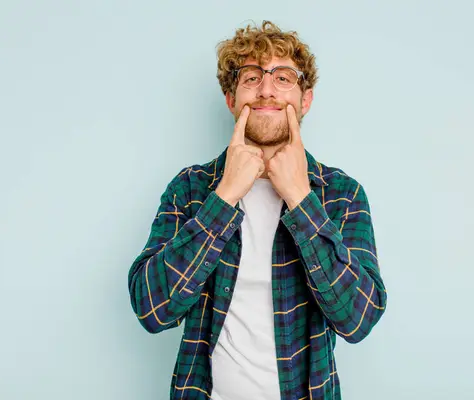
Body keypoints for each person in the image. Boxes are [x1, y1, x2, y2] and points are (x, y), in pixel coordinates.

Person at [127, 20, 387, 400]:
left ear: (305, 99)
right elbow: (152, 309)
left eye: (283, 78)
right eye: (251, 77)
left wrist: (300, 198)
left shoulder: (342, 195)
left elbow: (358, 320)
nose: (267, 89)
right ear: (231, 99)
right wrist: (225, 195)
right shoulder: (191, 188)